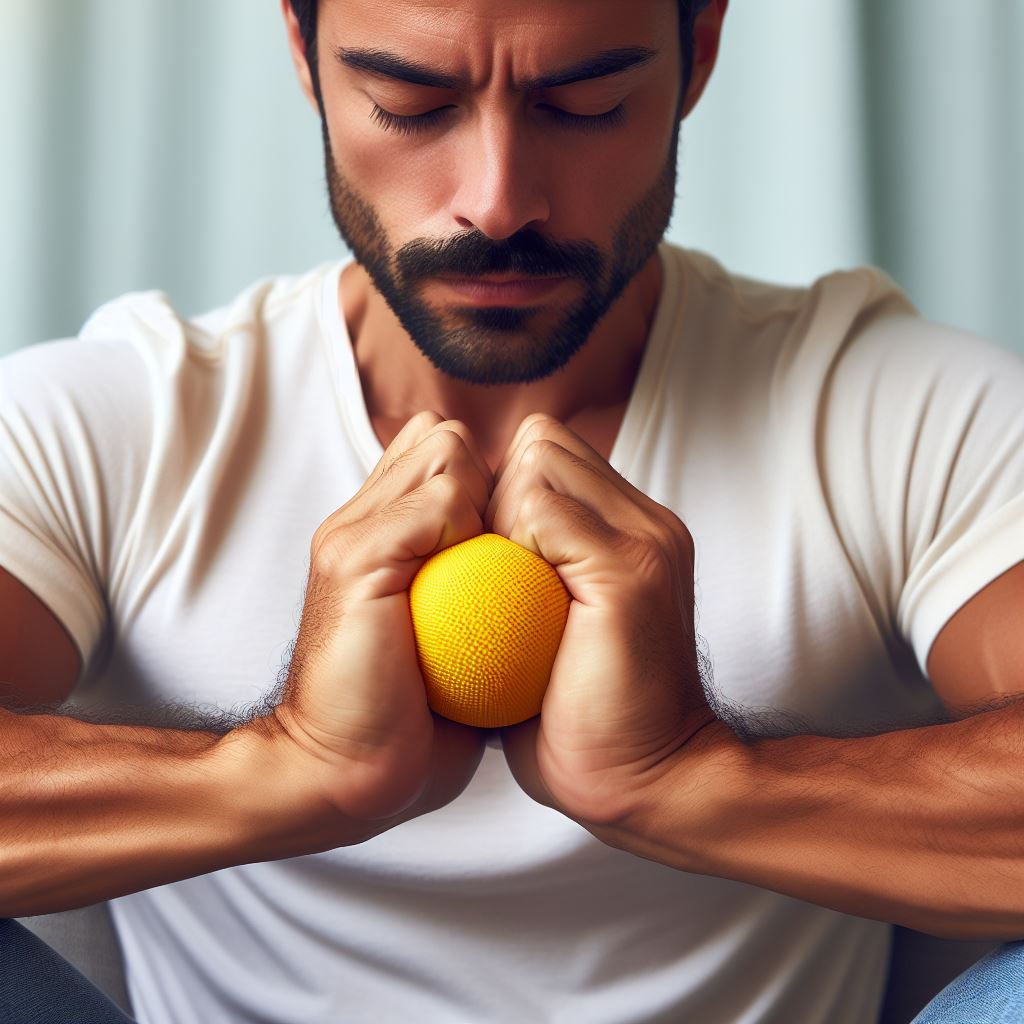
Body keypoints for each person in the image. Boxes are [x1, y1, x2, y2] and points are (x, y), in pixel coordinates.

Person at [1, 0, 1022, 1020]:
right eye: (411, 104)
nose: (496, 203)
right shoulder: (114, 420)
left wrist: (696, 780)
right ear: (305, 54)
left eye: (587, 104)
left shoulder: (892, 405)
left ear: (698, 51)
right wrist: (283, 771)